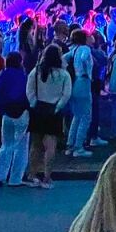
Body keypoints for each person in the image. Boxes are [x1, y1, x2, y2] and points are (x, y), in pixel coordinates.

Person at [27, 44, 72, 187]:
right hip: (53, 111)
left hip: (38, 108)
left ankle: (32, 174)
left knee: (35, 145)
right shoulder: (64, 74)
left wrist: (34, 104)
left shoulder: (36, 71)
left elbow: (30, 91)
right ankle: (47, 177)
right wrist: (58, 107)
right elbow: (66, 94)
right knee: (50, 146)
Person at [0, 52, 30, 187]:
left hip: (6, 113)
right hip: (21, 113)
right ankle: (15, 178)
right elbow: (27, 94)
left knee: (6, 144)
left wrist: (2, 109)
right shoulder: (23, 76)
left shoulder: (2, 75)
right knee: (21, 147)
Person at [65, 31, 94, 158]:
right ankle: (79, 147)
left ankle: (70, 144)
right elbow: (84, 58)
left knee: (76, 116)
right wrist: (88, 72)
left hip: (75, 82)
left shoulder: (73, 49)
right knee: (86, 116)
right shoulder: (85, 49)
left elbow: (63, 58)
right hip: (83, 82)